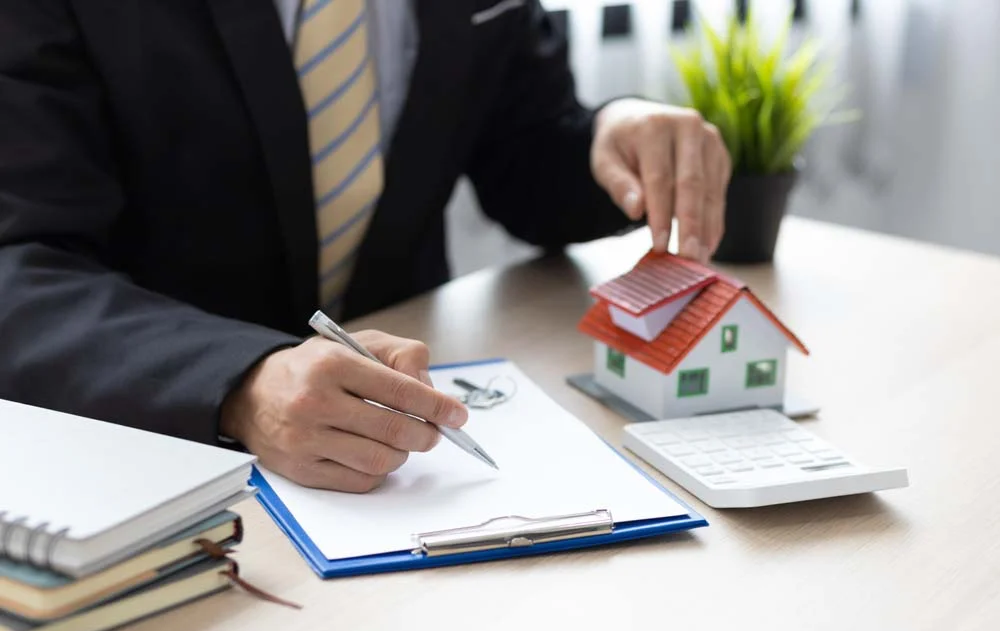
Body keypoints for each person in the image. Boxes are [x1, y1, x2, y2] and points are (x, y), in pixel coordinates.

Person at [0, 0, 731, 492]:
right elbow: (18, 265)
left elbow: (523, 151)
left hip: (401, 470)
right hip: (150, 464)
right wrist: (239, 381)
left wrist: (610, 136)